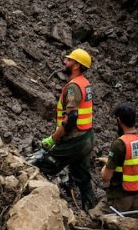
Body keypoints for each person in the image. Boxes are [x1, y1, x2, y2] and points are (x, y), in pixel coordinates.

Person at [36, 49, 97, 211]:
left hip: (75, 140)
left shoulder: (73, 87)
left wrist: (52, 139)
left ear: (76, 65)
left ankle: (39, 206)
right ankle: (91, 212)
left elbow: (70, 120)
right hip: (87, 137)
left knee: (43, 165)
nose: (65, 62)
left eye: (69, 60)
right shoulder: (84, 83)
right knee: (83, 177)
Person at [100, 103, 138, 230]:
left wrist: (105, 166)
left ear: (119, 120)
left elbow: (106, 177)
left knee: (95, 219)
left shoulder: (119, 144)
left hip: (120, 196)